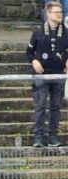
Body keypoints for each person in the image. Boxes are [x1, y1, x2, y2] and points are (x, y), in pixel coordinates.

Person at [27, 1, 68, 148]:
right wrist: (34, 62)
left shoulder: (66, 32)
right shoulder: (38, 32)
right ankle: (38, 136)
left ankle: (53, 136)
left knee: (56, 106)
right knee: (40, 105)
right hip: (42, 75)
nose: (60, 15)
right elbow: (29, 52)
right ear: (48, 13)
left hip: (58, 75)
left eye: (61, 12)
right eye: (57, 12)